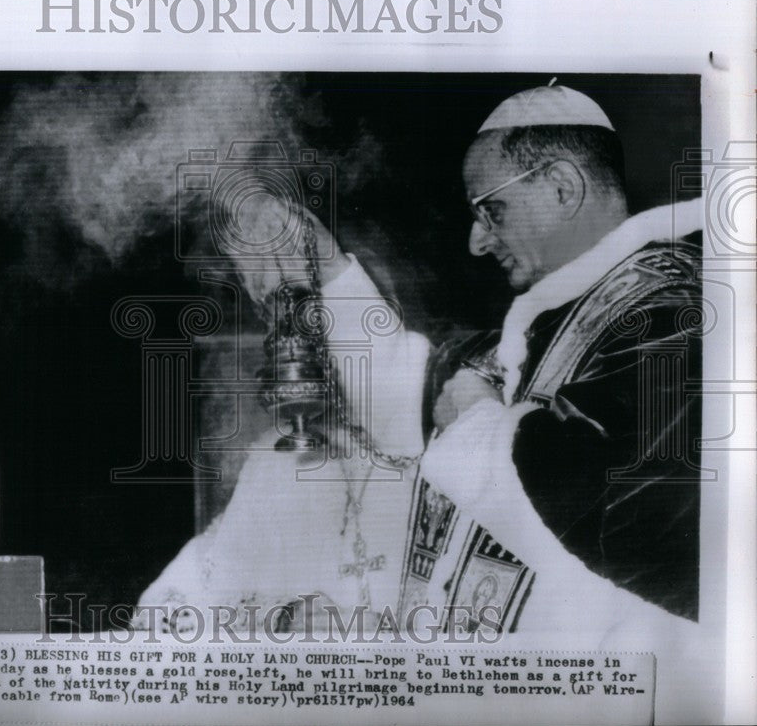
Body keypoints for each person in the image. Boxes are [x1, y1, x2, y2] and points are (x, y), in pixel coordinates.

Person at [136, 82, 702, 637]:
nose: (477, 242)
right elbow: (412, 391)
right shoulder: (558, 317)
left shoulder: (673, 318)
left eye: (492, 210)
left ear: (561, 187)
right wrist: (322, 260)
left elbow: (624, 514)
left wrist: (482, 424)